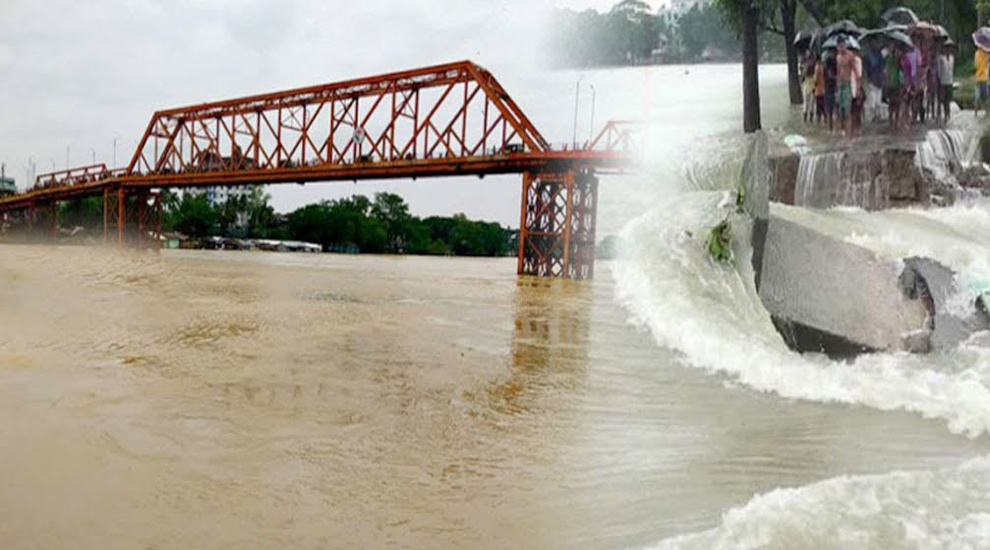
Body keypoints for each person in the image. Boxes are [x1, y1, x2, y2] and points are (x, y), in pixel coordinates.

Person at [836, 37, 856, 136]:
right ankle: (843, 130)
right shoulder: (838, 57)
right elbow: (838, 71)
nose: (841, 48)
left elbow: (855, 71)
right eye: (840, 46)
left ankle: (849, 132)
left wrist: (857, 86)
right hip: (840, 85)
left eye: (843, 45)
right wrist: (837, 85)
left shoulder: (850, 55)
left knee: (848, 109)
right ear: (837, 47)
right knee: (840, 110)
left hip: (848, 83)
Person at [885, 46, 904, 131]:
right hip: (891, 84)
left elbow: (902, 69)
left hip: (897, 83)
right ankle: (891, 122)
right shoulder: (888, 58)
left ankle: (896, 122)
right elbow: (887, 70)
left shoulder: (899, 60)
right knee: (891, 105)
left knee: (897, 104)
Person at [937, 42, 955, 123]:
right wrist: (939, 80)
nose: (949, 50)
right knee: (943, 100)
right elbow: (939, 70)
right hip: (943, 81)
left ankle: (948, 113)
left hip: (949, 81)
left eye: (950, 49)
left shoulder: (952, 58)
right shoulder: (941, 58)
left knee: (948, 99)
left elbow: (952, 69)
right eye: (947, 48)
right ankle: (944, 113)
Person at [824, 51, 838, 131]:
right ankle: (831, 129)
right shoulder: (830, 62)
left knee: (833, 110)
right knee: (831, 111)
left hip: (832, 88)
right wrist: (838, 78)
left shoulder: (834, 62)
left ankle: (832, 129)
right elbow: (830, 75)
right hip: (830, 88)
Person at [802, 53, 817, 123]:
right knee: (811, 103)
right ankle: (809, 119)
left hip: (808, 83)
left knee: (807, 102)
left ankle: (806, 119)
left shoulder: (805, 65)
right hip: (811, 83)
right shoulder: (813, 64)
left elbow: (802, 77)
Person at [976, 46, 989, 117]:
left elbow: (976, 65)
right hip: (984, 77)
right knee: (986, 97)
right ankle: (987, 111)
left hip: (978, 77)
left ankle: (976, 113)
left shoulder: (977, 53)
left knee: (977, 96)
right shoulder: (986, 54)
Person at [814, 57, 826, 126]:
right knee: (823, 106)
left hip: (818, 90)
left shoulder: (817, 67)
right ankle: (825, 120)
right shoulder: (823, 67)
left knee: (819, 107)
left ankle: (819, 122)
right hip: (824, 89)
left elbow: (815, 80)